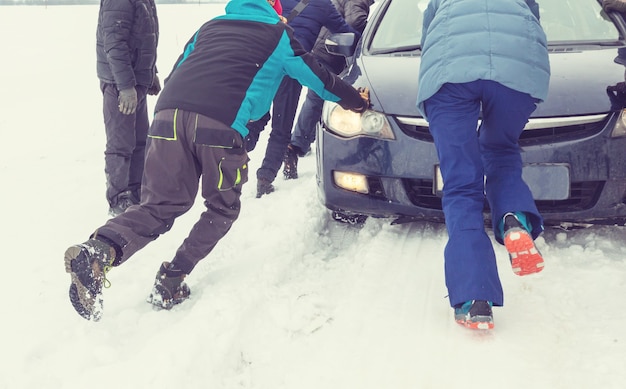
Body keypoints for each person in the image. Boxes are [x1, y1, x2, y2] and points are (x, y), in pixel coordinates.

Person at [64, 0, 370, 322]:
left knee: (158, 206)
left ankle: (99, 250)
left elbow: (177, 71)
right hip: (219, 128)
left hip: (168, 118)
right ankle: (172, 278)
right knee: (223, 207)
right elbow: (319, 77)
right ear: (272, 7)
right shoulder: (279, 34)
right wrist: (355, 101)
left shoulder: (209, 27)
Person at [416, 0, 550, 330]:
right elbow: (532, 25)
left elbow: (428, 37)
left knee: (461, 183)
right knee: (501, 150)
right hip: (516, 74)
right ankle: (514, 219)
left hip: (451, 76)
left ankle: (475, 300)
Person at [245, 0, 360, 198]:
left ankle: (236, 153)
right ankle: (265, 178)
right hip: (291, 65)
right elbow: (345, 32)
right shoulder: (323, 5)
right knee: (282, 125)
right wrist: (368, 39)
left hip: (263, 62)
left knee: (256, 115)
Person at [282, 0, 373, 180]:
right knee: (318, 99)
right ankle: (295, 146)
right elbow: (355, 21)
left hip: (320, 49)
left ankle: (300, 143)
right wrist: (367, 33)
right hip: (332, 54)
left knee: (316, 99)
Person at [96, 0, 162, 216]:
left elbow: (143, 38)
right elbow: (115, 43)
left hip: (137, 81)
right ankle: (118, 198)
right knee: (121, 144)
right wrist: (125, 86)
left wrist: (151, 73)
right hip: (120, 84)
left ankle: (135, 191)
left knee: (140, 141)